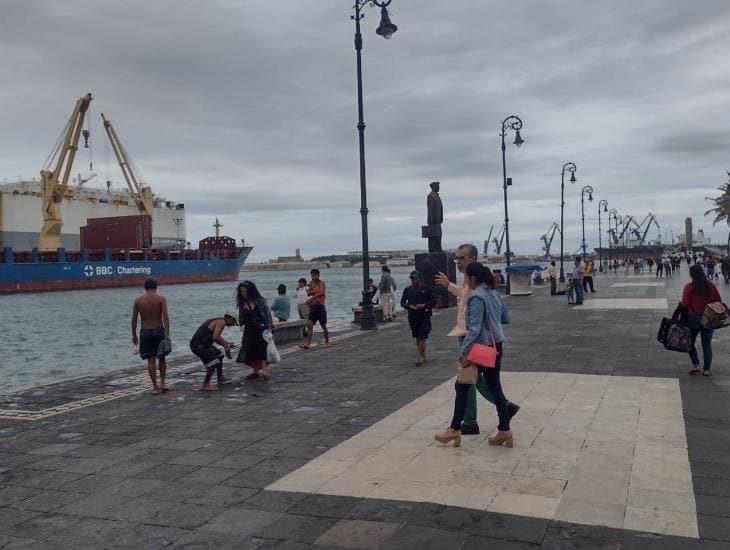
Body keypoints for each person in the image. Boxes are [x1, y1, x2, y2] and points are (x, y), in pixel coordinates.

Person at [435, 243, 519, 435]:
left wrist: (465, 350)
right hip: (491, 342)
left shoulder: (476, 286)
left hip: (475, 340)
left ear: (472, 259)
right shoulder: (481, 285)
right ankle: (502, 424)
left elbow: (474, 319)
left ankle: (466, 423)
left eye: (462, 258)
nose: (458, 261)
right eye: (456, 258)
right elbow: (504, 317)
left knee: (466, 382)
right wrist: (449, 285)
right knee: (485, 383)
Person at [131, 278, 171, 396]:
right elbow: (165, 317)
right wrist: (167, 334)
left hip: (145, 332)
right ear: (156, 287)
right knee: (162, 358)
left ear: (145, 287)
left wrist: (134, 335)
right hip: (159, 330)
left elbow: (133, 320)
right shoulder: (161, 299)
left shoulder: (138, 300)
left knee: (151, 360)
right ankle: (163, 382)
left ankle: (155, 387)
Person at [681, 265, 722, 377]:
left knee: (689, 342)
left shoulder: (689, 287)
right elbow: (718, 300)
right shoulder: (710, 286)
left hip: (693, 318)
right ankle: (707, 369)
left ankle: (696, 365)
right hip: (709, 318)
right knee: (706, 344)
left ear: (691, 274)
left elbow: (685, 303)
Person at [235, 281, 274, 380]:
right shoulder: (242, 303)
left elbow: (267, 314)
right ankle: (255, 370)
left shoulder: (260, 301)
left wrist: (270, 327)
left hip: (261, 329)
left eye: (245, 291)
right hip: (249, 329)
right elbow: (241, 318)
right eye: (242, 292)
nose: (244, 294)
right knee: (249, 349)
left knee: (262, 350)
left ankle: (265, 372)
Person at [190, 311, 237, 391]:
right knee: (213, 363)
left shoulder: (219, 320)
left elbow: (216, 337)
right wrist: (226, 344)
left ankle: (220, 377)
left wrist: (226, 344)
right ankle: (205, 384)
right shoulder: (221, 322)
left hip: (204, 344)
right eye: (233, 321)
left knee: (220, 355)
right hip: (198, 345)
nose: (233, 324)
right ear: (229, 318)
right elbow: (216, 337)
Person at [401, 271, 433, 366]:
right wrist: (409, 306)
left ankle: (419, 358)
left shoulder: (426, 289)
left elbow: (433, 301)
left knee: (422, 336)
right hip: (413, 316)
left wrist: (424, 305)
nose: (414, 280)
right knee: (417, 338)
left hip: (424, 315)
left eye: (415, 278)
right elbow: (402, 302)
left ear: (420, 279)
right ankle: (423, 355)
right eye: (412, 279)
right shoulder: (407, 290)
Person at [301, 268, 330, 348]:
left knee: (323, 325)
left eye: (314, 276)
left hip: (320, 306)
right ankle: (308, 343)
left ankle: (327, 341)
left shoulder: (321, 283)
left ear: (318, 275)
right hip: (313, 307)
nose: (313, 278)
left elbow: (321, 293)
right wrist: (306, 289)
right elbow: (309, 294)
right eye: (312, 276)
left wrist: (312, 298)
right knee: (309, 324)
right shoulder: (311, 283)